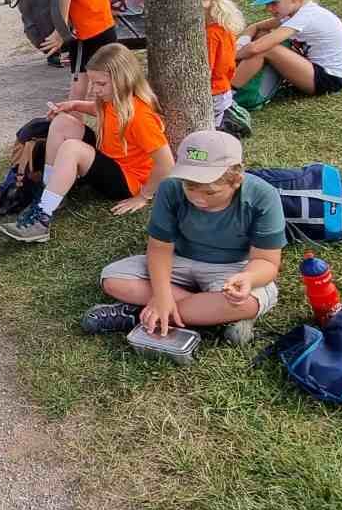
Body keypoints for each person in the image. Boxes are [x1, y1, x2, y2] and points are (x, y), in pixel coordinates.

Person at [78, 130, 283, 347]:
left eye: (210, 192)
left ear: (236, 180)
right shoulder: (170, 187)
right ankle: (208, 314)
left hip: (232, 270)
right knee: (113, 280)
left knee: (250, 301)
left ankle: (142, 314)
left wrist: (249, 278)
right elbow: (159, 248)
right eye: (190, 187)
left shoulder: (263, 196)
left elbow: (266, 261)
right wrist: (162, 294)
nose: (197, 198)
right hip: (179, 261)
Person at [0, 43, 174, 242]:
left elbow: (166, 163)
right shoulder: (113, 99)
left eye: (101, 84)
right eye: (93, 83)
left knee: (72, 149)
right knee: (62, 122)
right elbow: (97, 110)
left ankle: (41, 219)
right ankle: (49, 193)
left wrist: (143, 197)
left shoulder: (140, 117)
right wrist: (73, 105)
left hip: (127, 181)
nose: (95, 89)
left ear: (123, 79)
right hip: (108, 159)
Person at [233, 0, 342, 98]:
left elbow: (256, 48)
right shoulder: (294, 12)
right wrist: (241, 44)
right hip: (312, 68)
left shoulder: (306, 15)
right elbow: (255, 27)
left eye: (274, 3)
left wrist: (228, 56)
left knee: (265, 48)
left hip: (328, 79)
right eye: (267, 4)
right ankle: (239, 79)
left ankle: (225, 95)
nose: (268, 8)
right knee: (261, 36)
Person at [199, 0, 246, 129]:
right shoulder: (226, 29)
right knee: (214, 126)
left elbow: (206, 69)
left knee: (205, 128)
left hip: (212, 92)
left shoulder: (210, 35)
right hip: (224, 88)